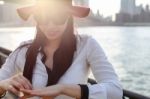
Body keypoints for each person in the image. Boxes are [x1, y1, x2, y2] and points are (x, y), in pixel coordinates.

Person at [0, 0, 123, 99]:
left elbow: (115, 90)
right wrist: (3, 85)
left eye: (58, 18)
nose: (50, 26)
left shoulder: (87, 45)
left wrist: (64, 89)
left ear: (69, 17)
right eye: (43, 18)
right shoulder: (23, 50)